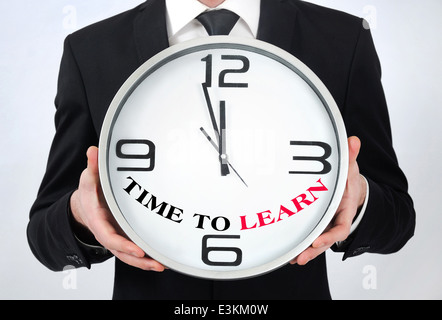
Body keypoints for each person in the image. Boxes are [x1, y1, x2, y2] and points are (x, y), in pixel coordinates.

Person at [27, 0, 415, 300]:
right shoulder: (91, 50)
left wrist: (360, 200)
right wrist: (80, 216)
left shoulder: (343, 39)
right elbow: (44, 238)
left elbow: (398, 220)